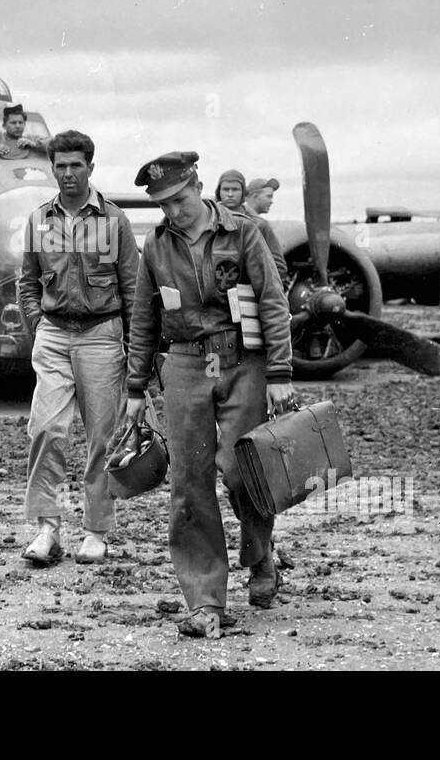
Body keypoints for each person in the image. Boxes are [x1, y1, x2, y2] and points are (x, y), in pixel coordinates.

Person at [125, 152, 296, 639]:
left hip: (243, 361)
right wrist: (136, 386)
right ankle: (204, 600)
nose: (173, 212)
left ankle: (260, 555)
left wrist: (281, 371)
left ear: (197, 186)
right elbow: (143, 318)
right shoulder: (156, 246)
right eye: (162, 204)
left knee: (246, 468)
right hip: (183, 364)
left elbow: (272, 300)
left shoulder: (243, 232)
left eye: (179, 199)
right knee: (190, 481)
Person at [18, 130, 139, 565]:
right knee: (45, 430)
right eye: (60, 166)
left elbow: (133, 290)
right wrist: (39, 327)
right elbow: (27, 282)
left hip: (101, 336)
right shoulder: (39, 220)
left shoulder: (114, 221)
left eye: (76, 165)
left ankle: (96, 531)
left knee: (100, 439)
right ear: (52, 169)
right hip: (53, 334)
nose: (68, 173)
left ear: (91, 166)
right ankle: (47, 529)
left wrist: (136, 354)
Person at [218, 170, 287, 280]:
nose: (271, 201)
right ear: (255, 196)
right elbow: (279, 269)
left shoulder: (260, 224)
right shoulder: (260, 225)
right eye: (269, 196)